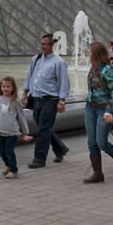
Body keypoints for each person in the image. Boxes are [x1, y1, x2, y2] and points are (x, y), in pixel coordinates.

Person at [83, 42, 113, 182]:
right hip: (90, 108)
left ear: (96, 53)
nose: (88, 54)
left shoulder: (108, 69)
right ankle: (98, 174)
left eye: (90, 52)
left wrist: (109, 111)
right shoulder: (93, 68)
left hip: (103, 109)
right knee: (92, 142)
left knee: (101, 142)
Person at [23, 33, 70, 168]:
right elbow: (30, 76)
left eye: (44, 44)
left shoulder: (59, 62)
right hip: (36, 99)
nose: (42, 46)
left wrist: (61, 101)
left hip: (51, 99)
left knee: (43, 129)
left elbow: (64, 83)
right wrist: (25, 92)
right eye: (41, 43)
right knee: (44, 127)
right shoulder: (36, 58)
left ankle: (39, 159)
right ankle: (60, 148)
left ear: (51, 45)